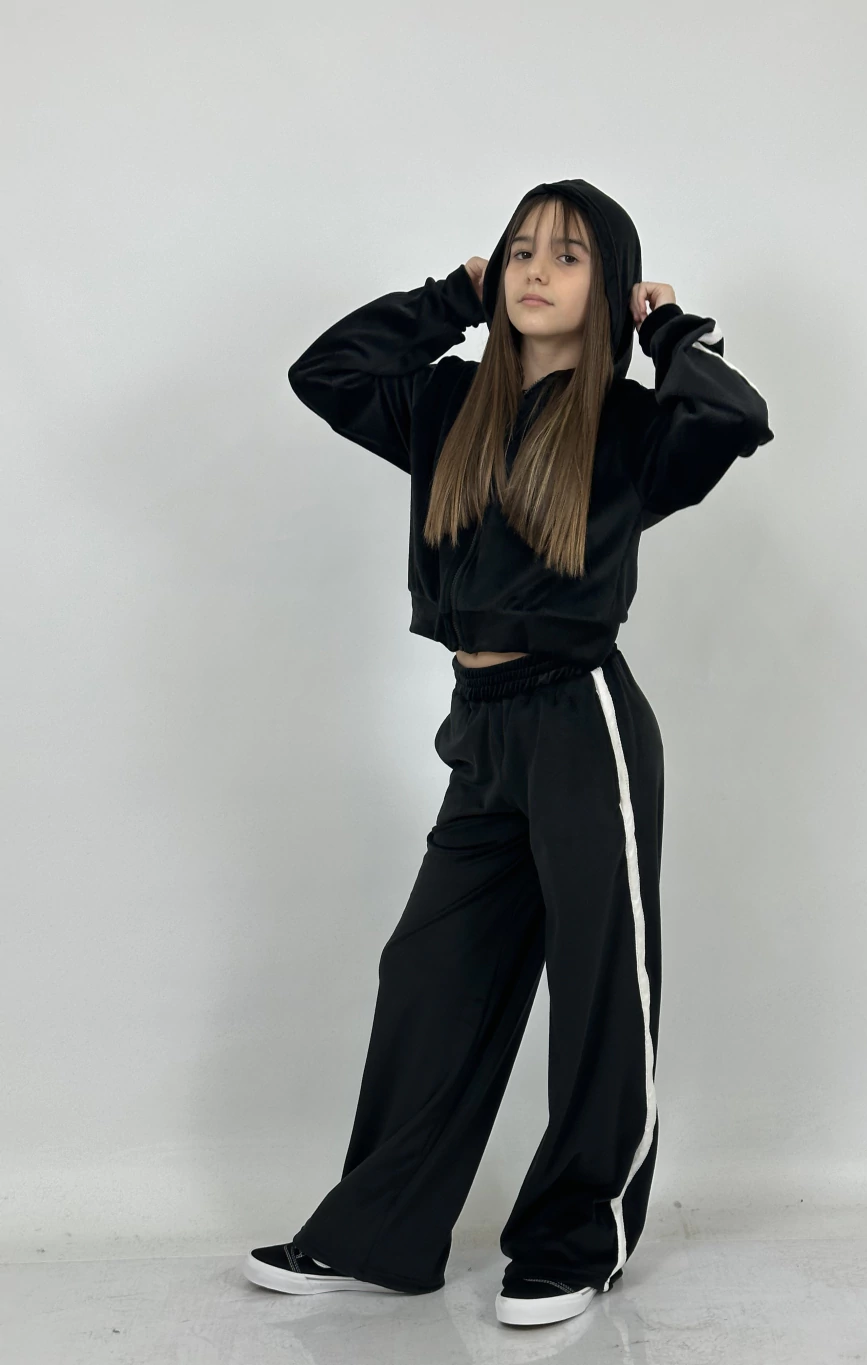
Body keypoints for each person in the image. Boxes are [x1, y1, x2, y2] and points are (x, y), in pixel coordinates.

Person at [242, 177, 774, 1327]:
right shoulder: (445, 408)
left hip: (582, 721)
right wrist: (451, 297)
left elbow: (729, 417)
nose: (535, 269)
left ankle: (576, 1241)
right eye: (520, 249)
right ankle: (382, 1234)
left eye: (567, 255)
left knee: (598, 989)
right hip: (479, 730)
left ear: (609, 283)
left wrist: (665, 330)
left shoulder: (630, 428)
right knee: (429, 973)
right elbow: (325, 373)